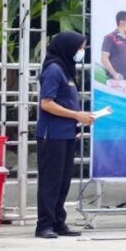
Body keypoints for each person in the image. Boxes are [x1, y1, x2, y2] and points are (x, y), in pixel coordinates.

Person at [35, 31, 95, 239]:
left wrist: (77, 122)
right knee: (51, 181)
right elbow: (47, 103)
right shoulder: (53, 70)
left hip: (67, 133)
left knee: (63, 181)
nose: (82, 52)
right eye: (80, 48)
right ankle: (44, 225)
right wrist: (76, 115)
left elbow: (68, 101)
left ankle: (58, 222)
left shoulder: (67, 70)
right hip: (51, 134)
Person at [100, 11, 126, 81]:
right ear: (121, 22)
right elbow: (104, 58)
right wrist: (114, 74)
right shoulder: (110, 37)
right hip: (115, 79)